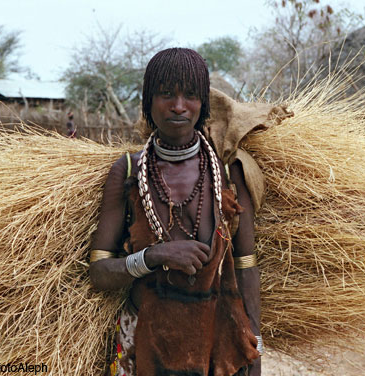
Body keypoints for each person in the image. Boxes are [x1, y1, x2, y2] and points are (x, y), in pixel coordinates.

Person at [89, 48, 262, 376]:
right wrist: (155, 255)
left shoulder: (228, 171)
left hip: (218, 340)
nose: (179, 106)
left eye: (191, 95)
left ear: (204, 104)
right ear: (148, 101)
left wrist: (254, 345)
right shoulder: (128, 171)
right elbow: (99, 272)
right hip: (143, 343)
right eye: (166, 94)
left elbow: (246, 264)